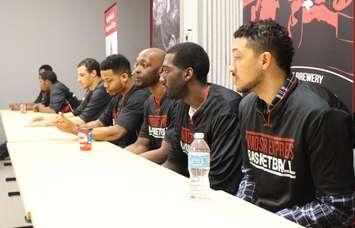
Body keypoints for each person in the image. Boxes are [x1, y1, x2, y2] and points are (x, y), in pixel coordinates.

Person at [231, 19, 354, 227]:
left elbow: (339, 207)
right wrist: (239, 212)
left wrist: (271, 222)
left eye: (237, 58)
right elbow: (250, 174)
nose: (231, 68)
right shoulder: (246, 106)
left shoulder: (320, 114)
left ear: (264, 61)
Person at [159, 42, 243, 194]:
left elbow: (218, 183)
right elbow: (174, 162)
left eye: (166, 71)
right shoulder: (180, 105)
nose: (161, 78)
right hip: (191, 190)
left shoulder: (226, 110)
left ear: (188, 74)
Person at [56, 54, 150, 148]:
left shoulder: (138, 96)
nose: (105, 85)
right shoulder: (117, 95)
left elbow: (117, 132)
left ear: (124, 77)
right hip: (115, 147)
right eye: (103, 81)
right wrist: (76, 127)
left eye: (108, 81)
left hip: (132, 152)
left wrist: (75, 130)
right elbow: (99, 123)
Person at [125, 48, 175, 164]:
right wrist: (117, 157)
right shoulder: (149, 102)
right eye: (136, 64)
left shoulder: (175, 102)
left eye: (144, 65)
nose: (136, 70)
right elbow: (142, 144)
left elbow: (165, 152)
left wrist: (126, 162)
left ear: (162, 70)